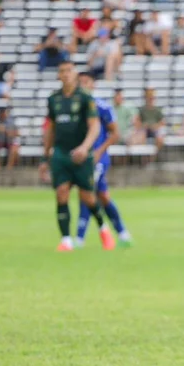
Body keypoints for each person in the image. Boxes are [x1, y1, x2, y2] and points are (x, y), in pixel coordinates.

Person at [38, 61, 108, 252]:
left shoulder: (85, 97)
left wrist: (85, 148)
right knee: (61, 193)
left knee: (88, 198)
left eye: (69, 70)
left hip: (81, 154)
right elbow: (50, 129)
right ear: (58, 75)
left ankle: (103, 227)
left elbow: (95, 126)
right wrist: (46, 157)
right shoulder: (53, 99)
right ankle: (66, 240)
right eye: (62, 71)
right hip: (60, 153)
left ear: (75, 73)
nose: (66, 74)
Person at [76, 70, 131, 249]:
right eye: (81, 82)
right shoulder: (75, 107)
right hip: (81, 158)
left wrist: (99, 151)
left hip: (97, 159)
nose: (83, 85)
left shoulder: (101, 107)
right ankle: (122, 233)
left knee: (86, 193)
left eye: (87, 82)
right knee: (103, 196)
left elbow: (115, 133)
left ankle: (79, 238)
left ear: (93, 85)